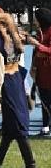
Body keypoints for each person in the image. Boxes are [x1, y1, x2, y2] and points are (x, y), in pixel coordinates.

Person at [0, 7, 36, 168]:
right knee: (9, 124)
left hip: (6, 83)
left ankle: (31, 164)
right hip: (17, 81)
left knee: (17, 123)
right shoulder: (15, 35)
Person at [27, 7, 51, 136]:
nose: (35, 21)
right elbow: (36, 53)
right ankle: (45, 126)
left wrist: (37, 45)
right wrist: (33, 66)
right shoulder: (39, 32)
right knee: (44, 100)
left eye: (36, 18)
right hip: (41, 72)